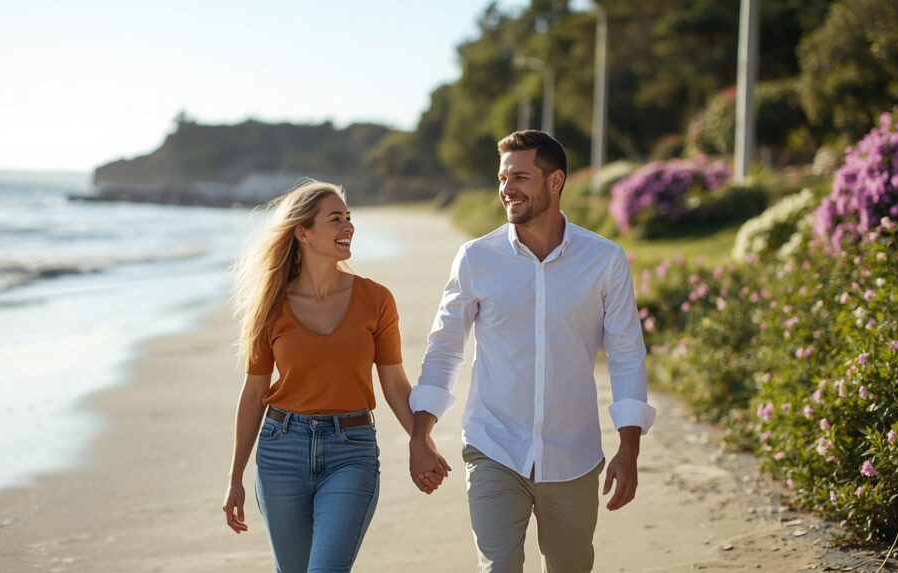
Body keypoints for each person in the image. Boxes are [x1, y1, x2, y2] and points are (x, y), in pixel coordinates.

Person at [408, 130, 658, 572]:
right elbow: (445, 347)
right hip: (493, 447)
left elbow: (625, 354)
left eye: (520, 177)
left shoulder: (604, 260)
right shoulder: (475, 258)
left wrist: (629, 449)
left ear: (555, 181)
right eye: (503, 178)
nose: (507, 189)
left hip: (573, 456)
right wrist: (420, 433)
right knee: (498, 566)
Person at [222, 180, 447, 572]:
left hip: (351, 450)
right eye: (335, 219)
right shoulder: (271, 305)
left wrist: (419, 438)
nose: (348, 227)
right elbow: (254, 390)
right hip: (280, 450)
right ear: (302, 232)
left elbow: (394, 382)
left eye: (348, 218)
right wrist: (235, 475)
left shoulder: (375, 299)